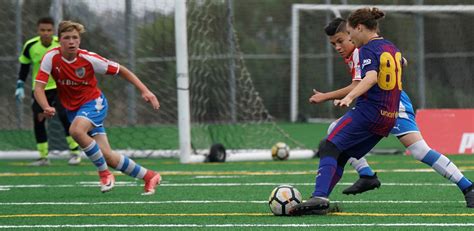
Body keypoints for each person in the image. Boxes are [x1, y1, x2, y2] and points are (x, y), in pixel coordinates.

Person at [310, 17, 474, 208]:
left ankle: (468, 187)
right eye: (333, 44)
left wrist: (325, 96)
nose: (337, 47)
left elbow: (358, 84)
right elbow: (402, 61)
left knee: (419, 150)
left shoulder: (361, 52)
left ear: (352, 33)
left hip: (392, 105)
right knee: (335, 130)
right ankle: (366, 175)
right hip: (378, 105)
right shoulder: (368, 48)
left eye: (340, 41)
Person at [290, 7, 405, 215]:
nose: (350, 39)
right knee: (341, 153)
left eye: (350, 35)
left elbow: (369, 79)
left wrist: (349, 97)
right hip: (388, 117)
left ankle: (319, 196)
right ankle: (321, 198)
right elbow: (402, 62)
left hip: (370, 111)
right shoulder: (390, 46)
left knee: (328, 145)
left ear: (360, 28)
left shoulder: (367, 48)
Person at [34, 20, 161, 195]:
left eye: (75, 38)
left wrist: (145, 91)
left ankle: (104, 174)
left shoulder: (89, 59)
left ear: (79, 41)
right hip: (74, 110)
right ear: (59, 40)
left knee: (76, 131)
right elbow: (38, 88)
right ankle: (149, 176)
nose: (71, 41)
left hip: (94, 103)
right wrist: (45, 106)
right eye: (66, 38)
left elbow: (122, 70)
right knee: (107, 156)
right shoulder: (51, 57)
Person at [16, 17, 82, 166]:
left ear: (53, 31)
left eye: (49, 30)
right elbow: (25, 66)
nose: (46, 33)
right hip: (40, 90)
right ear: (38, 30)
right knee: (39, 120)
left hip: (60, 87)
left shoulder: (61, 43)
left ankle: (75, 153)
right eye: (42, 30)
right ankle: (43, 157)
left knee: (65, 116)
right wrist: (20, 85)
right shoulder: (30, 45)